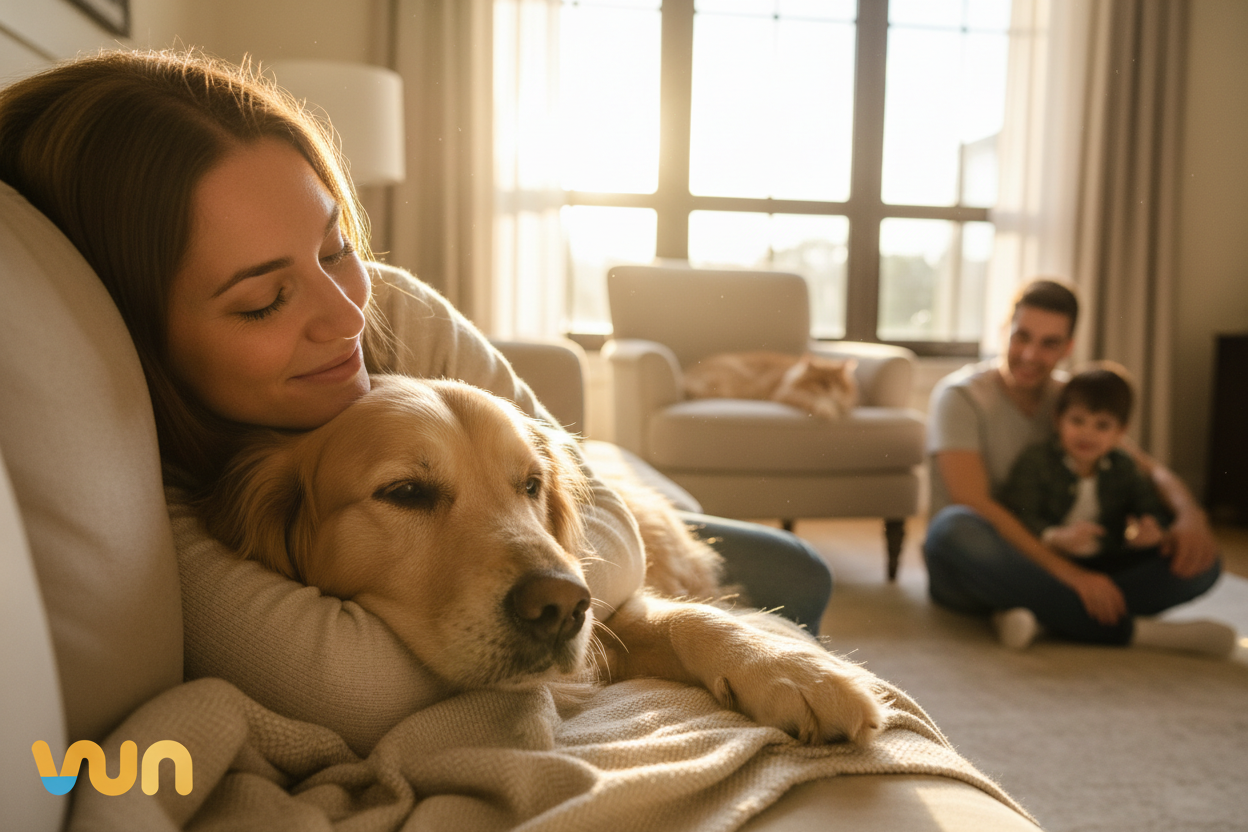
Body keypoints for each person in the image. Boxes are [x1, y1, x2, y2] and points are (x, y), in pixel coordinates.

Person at [0, 49, 832, 753]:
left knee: (798, 570)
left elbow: (594, 519)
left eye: (333, 249)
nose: (345, 316)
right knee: (791, 575)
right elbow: (346, 685)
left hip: (637, 532)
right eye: (263, 301)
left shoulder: (391, 307)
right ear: (140, 336)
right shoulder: (161, 490)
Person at [923, 278, 1233, 656]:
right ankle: (1136, 631)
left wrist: (1189, 516)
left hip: (1068, 556)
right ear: (1004, 332)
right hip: (981, 563)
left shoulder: (1073, 400)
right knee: (953, 528)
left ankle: (1033, 613)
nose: (1030, 354)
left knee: (1203, 563)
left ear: (1068, 348)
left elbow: (1150, 469)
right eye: (1022, 337)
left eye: (1049, 343)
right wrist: (1075, 577)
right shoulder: (959, 397)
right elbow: (972, 501)